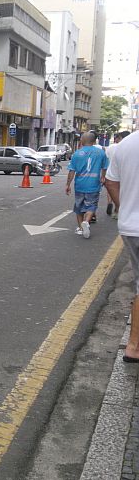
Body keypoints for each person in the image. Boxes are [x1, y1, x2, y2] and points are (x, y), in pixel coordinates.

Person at [104, 131, 139, 362]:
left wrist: (124, 207)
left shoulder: (126, 144)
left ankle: (133, 346)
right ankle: (133, 347)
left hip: (131, 227)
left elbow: (110, 181)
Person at [65, 131, 108, 239]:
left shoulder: (77, 154)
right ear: (94, 141)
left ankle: (80, 228)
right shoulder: (101, 153)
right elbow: (105, 167)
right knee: (92, 205)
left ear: (82, 140)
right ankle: (87, 221)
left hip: (80, 185)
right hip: (94, 184)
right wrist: (103, 177)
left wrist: (68, 184)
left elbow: (72, 171)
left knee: (79, 207)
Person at [105, 131, 130, 219]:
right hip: (125, 172)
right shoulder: (129, 147)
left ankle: (110, 202)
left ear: (120, 138)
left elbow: (106, 158)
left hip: (111, 170)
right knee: (121, 191)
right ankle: (117, 209)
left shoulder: (112, 147)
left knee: (110, 188)